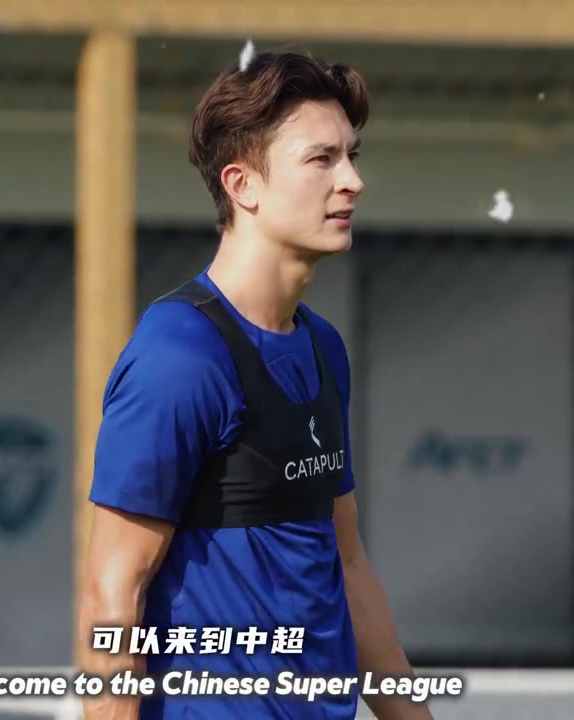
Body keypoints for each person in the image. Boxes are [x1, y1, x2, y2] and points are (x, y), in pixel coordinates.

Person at [77, 48, 435, 720]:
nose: (353, 181)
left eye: (351, 156)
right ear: (243, 185)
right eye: (321, 159)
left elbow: (349, 568)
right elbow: (112, 593)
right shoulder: (179, 355)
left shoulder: (323, 349)